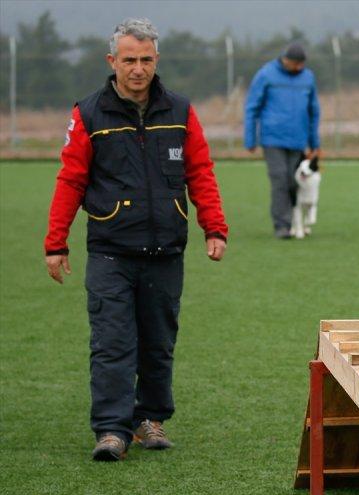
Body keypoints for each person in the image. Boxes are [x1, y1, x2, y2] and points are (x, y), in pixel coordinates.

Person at [44, 18, 229, 461]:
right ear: (112, 61)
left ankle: (149, 419)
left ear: (156, 60)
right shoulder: (88, 114)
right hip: (110, 252)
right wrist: (56, 242)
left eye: (146, 60)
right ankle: (111, 429)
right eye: (129, 60)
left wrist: (214, 228)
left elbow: (200, 172)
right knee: (112, 342)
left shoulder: (181, 112)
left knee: (158, 341)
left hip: (166, 251)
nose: (138, 69)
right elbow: (70, 180)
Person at [244, 42, 321, 239]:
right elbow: (252, 107)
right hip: (273, 139)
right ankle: (282, 225)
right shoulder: (266, 74)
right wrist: (250, 138)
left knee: (294, 182)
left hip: (298, 140)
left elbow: (314, 112)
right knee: (279, 179)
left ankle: (297, 224)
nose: (298, 68)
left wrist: (314, 142)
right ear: (285, 60)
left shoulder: (308, 77)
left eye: (301, 64)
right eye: (295, 64)